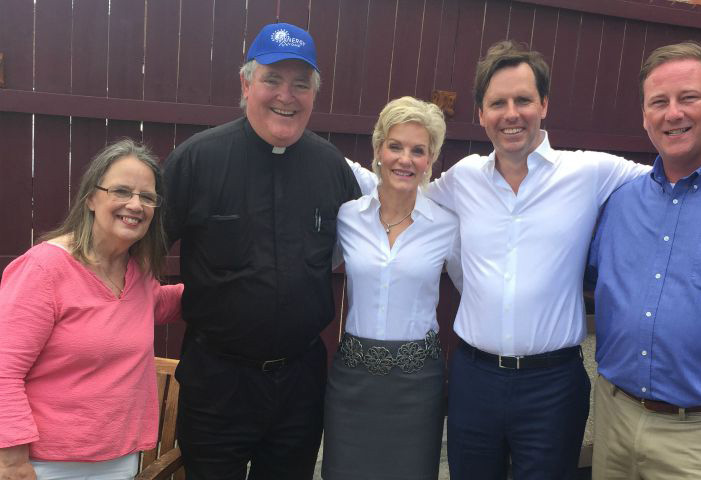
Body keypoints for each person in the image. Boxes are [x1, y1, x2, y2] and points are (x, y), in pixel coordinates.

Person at [342, 40, 701, 479]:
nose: (511, 114)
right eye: (498, 103)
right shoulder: (463, 178)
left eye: (523, 100)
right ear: (482, 113)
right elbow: (398, 186)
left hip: (552, 385)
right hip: (475, 378)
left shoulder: (590, 172)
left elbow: (682, 171)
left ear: (543, 104)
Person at [162, 22, 360, 479]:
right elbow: (132, 249)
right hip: (217, 384)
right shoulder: (197, 161)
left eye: (300, 84)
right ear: (246, 82)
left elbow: (375, 244)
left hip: (300, 383)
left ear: (314, 93)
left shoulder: (331, 169)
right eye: (272, 79)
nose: (286, 96)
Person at [587, 41, 701, 480]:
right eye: (659, 102)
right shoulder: (621, 201)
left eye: (689, 97)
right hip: (614, 422)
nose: (673, 114)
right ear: (644, 114)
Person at [0, 139, 183, 480]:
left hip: (119, 458)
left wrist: (227, 289)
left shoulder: (137, 273)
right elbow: (3, 371)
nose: (135, 204)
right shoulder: (45, 268)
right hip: (44, 463)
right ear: (91, 199)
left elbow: (156, 305)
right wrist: (11, 462)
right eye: (122, 191)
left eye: (147, 196)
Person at [322, 96, 461, 480]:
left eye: (418, 150)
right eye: (395, 146)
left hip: (417, 384)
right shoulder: (349, 216)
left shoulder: (446, 225)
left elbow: (472, 287)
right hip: (353, 379)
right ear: (379, 149)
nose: (405, 159)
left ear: (430, 159)